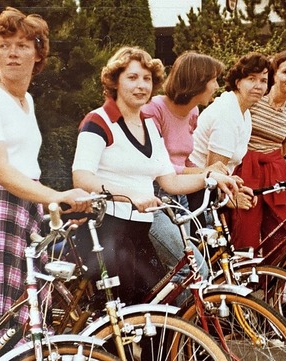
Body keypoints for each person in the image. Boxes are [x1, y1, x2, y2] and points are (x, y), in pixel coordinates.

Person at [0, 7, 91, 360]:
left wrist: (50, 206)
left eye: (23, 45)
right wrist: (57, 196)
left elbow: (27, 168)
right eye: (5, 44)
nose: (13, 53)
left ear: (39, 53)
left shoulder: (26, 100)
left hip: (27, 211)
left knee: (28, 321)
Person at [71, 46, 240, 307]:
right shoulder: (98, 121)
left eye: (147, 79)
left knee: (158, 306)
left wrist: (211, 179)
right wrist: (130, 195)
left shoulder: (149, 125)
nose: (141, 85)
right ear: (115, 82)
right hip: (106, 230)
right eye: (132, 77)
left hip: (140, 228)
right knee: (128, 314)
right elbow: (81, 178)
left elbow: (169, 180)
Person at [142, 51, 226, 280]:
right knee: (192, 268)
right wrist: (206, 172)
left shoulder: (193, 112)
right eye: (214, 80)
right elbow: (161, 168)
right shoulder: (154, 109)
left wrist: (210, 170)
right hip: (154, 198)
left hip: (180, 198)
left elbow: (184, 159)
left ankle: (185, 316)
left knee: (185, 272)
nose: (217, 86)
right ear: (197, 81)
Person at [229, 50, 286, 255]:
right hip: (247, 170)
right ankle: (242, 280)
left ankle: (274, 285)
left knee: (285, 230)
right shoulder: (254, 99)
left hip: (275, 172)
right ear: (275, 74)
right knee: (245, 229)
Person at [188, 52, 268, 208]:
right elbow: (214, 171)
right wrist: (231, 199)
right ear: (238, 82)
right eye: (251, 79)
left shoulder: (243, 112)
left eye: (263, 81)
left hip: (205, 188)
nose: (258, 86)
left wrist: (234, 186)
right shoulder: (227, 113)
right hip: (194, 192)